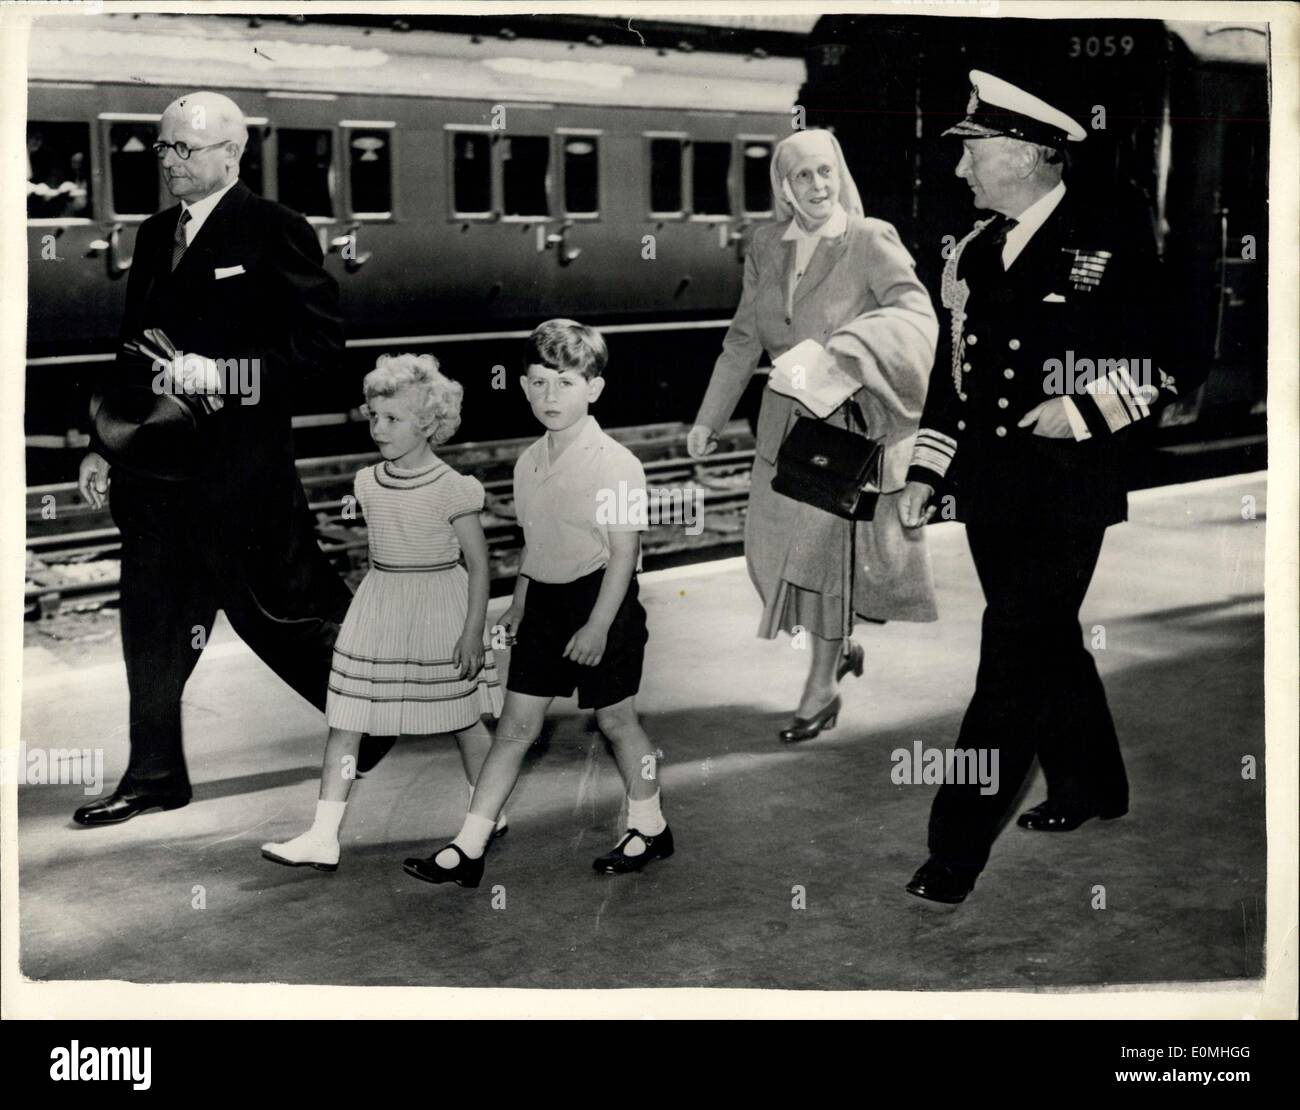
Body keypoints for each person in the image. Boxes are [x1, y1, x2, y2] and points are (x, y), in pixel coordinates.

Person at [898, 71, 1192, 904]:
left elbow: (1176, 354)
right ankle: (1093, 786)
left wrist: (1088, 407)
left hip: (1069, 486)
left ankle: (954, 852)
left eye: (974, 153)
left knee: (1013, 654)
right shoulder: (976, 249)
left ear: (1028, 154)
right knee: (1048, 638)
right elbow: (953, 381)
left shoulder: (1111, 237)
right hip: (994, 490)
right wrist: (928, 471)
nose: (961, 171)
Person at [74, 91, 353, 826]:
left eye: (184, 149)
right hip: (157, 472)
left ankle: (390, 715)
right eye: (163, 148)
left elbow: (321, 354)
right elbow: (132, 346)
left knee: (282, 621)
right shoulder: (155, 231)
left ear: (232, 153)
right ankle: (154, 775)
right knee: (152, 624)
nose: (168, 162)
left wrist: (226, 372)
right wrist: (104, 445)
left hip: (241, 478)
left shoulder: (275, 230)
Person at [686, 129, 939, 742]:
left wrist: (844, 352)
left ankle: (820, 685)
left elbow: (918, 315)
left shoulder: (868, 238)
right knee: (772, 558)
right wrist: (708, 419)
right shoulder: (768, 244)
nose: (818, 186)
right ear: (784, 187)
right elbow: (744, 338)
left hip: (847, 426)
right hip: (783, 426)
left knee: (818, 560)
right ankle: (840, 646)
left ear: (840, 174)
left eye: (826, 172)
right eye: (803, 175)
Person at [403, 320, 672, 888]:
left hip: (605, 600)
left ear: (594, 388)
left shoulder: (616, 463)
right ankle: (468, 847)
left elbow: (625, 555)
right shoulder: (529, 461)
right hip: (546, 605)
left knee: (616, 719)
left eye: (566, 383)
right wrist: (521, 602)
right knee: (514, 728)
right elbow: (537, 543)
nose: (551, 396)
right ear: (523, 388)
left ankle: (649, 826)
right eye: (539, 382)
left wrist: (599, 626)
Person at [260, 355, 506, 871]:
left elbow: (480, 567)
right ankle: (323, 836)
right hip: (381, 603)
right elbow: (377, 552)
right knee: (346, 717)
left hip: (441, 604)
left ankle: (488, 811)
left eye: (391, 419)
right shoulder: (368, 481)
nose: (378, 428)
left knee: (462, 718)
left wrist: (471, 634)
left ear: (428, 423)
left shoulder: (452, 487)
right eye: (373, 416)